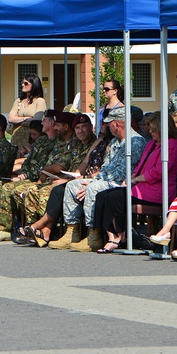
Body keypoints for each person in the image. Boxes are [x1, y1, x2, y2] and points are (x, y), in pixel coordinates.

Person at [88, 113, 177, 253]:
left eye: (153, 129)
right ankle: (112, 236)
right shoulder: (152, 143)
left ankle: (121, 236)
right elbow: (141, 165)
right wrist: (131, 176)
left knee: (115, 198)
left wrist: (136, 179)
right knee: (102, 196)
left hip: (157, 190)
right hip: (142, 187)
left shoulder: (171, 145)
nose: (150, 132)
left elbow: (159, 171)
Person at [56, 107, 147, 251]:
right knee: (73, 185)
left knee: (93, 189)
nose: (107, 127)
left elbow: (122, 173)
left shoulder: (134, 142)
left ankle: (94, 234)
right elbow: (105, 167)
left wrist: (94, 183)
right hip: (106, 179)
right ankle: (71, 231)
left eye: (109, 124)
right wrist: (94, 180)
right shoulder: (115, 142)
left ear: (116, 124)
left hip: (120, 183)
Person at [18, 113, 98, 246]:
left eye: (84, 127)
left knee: (52, 191)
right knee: (35, 190)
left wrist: (67, 180)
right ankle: (41, 231)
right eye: (77, 127)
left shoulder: (94, 144)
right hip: (69, 179)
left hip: (85, 181)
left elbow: (75, 169)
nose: (80, 130)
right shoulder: (75, 144)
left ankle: (40, 228)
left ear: (91, 127)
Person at [0, 110, 58, 242]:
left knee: (8, 188)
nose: (42, 122)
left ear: (52, 123)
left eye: (44, 120)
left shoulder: (56, 142)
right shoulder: (41, 141)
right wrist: (22, 173)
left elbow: (43, 167)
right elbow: (29, 162)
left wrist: (25, 175)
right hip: (28, 176)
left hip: (37, 178)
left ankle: (5, 228)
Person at [7, 73, 47, 149]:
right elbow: (11, 118)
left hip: (31, 137)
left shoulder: (40, 101)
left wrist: (18, 119)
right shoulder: (18, 101)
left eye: (26, 83)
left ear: (34, 84)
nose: (23, 85)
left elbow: (37, 119)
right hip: (17, 136)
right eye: (22, 83)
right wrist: (27, 118)